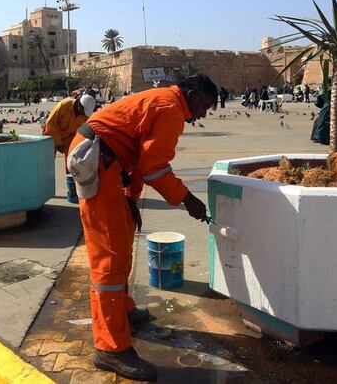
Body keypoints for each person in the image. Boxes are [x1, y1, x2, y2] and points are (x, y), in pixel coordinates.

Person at [66, 74, 215, 381]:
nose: (204, 113)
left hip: (108, 160)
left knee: (122, 239)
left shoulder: (164, 100)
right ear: (191, 93)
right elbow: (154, 167)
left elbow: (135, 152)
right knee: (109, 255)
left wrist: (130, 197)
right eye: (204, 105)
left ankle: (124, 310)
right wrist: (188, 200)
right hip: (98, 159)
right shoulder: (171, 110)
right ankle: (110, 348)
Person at [43, 93, 97, 158]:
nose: (84, 114)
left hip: (68, 139)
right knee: (47, 160)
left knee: (71, 161)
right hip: (51, 135)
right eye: (84, 111)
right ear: (79, 104)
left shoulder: (85, 116)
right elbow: (51, 123)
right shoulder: (64, 105)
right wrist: (58, 143)